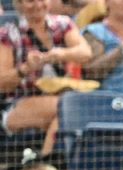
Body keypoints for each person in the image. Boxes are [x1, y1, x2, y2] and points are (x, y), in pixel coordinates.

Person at [0, 0, 93, 155]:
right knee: (68, 108)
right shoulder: (8, 34)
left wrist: (61, 54)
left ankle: (52, 161)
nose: (38, 5)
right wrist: (25, 69)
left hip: (61, 97)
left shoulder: (63, 24)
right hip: (17, 105)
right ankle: (48, 162)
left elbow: (86, 53)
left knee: (70, 108)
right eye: (30, 1)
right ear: (19, 4)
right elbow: (2, 82)